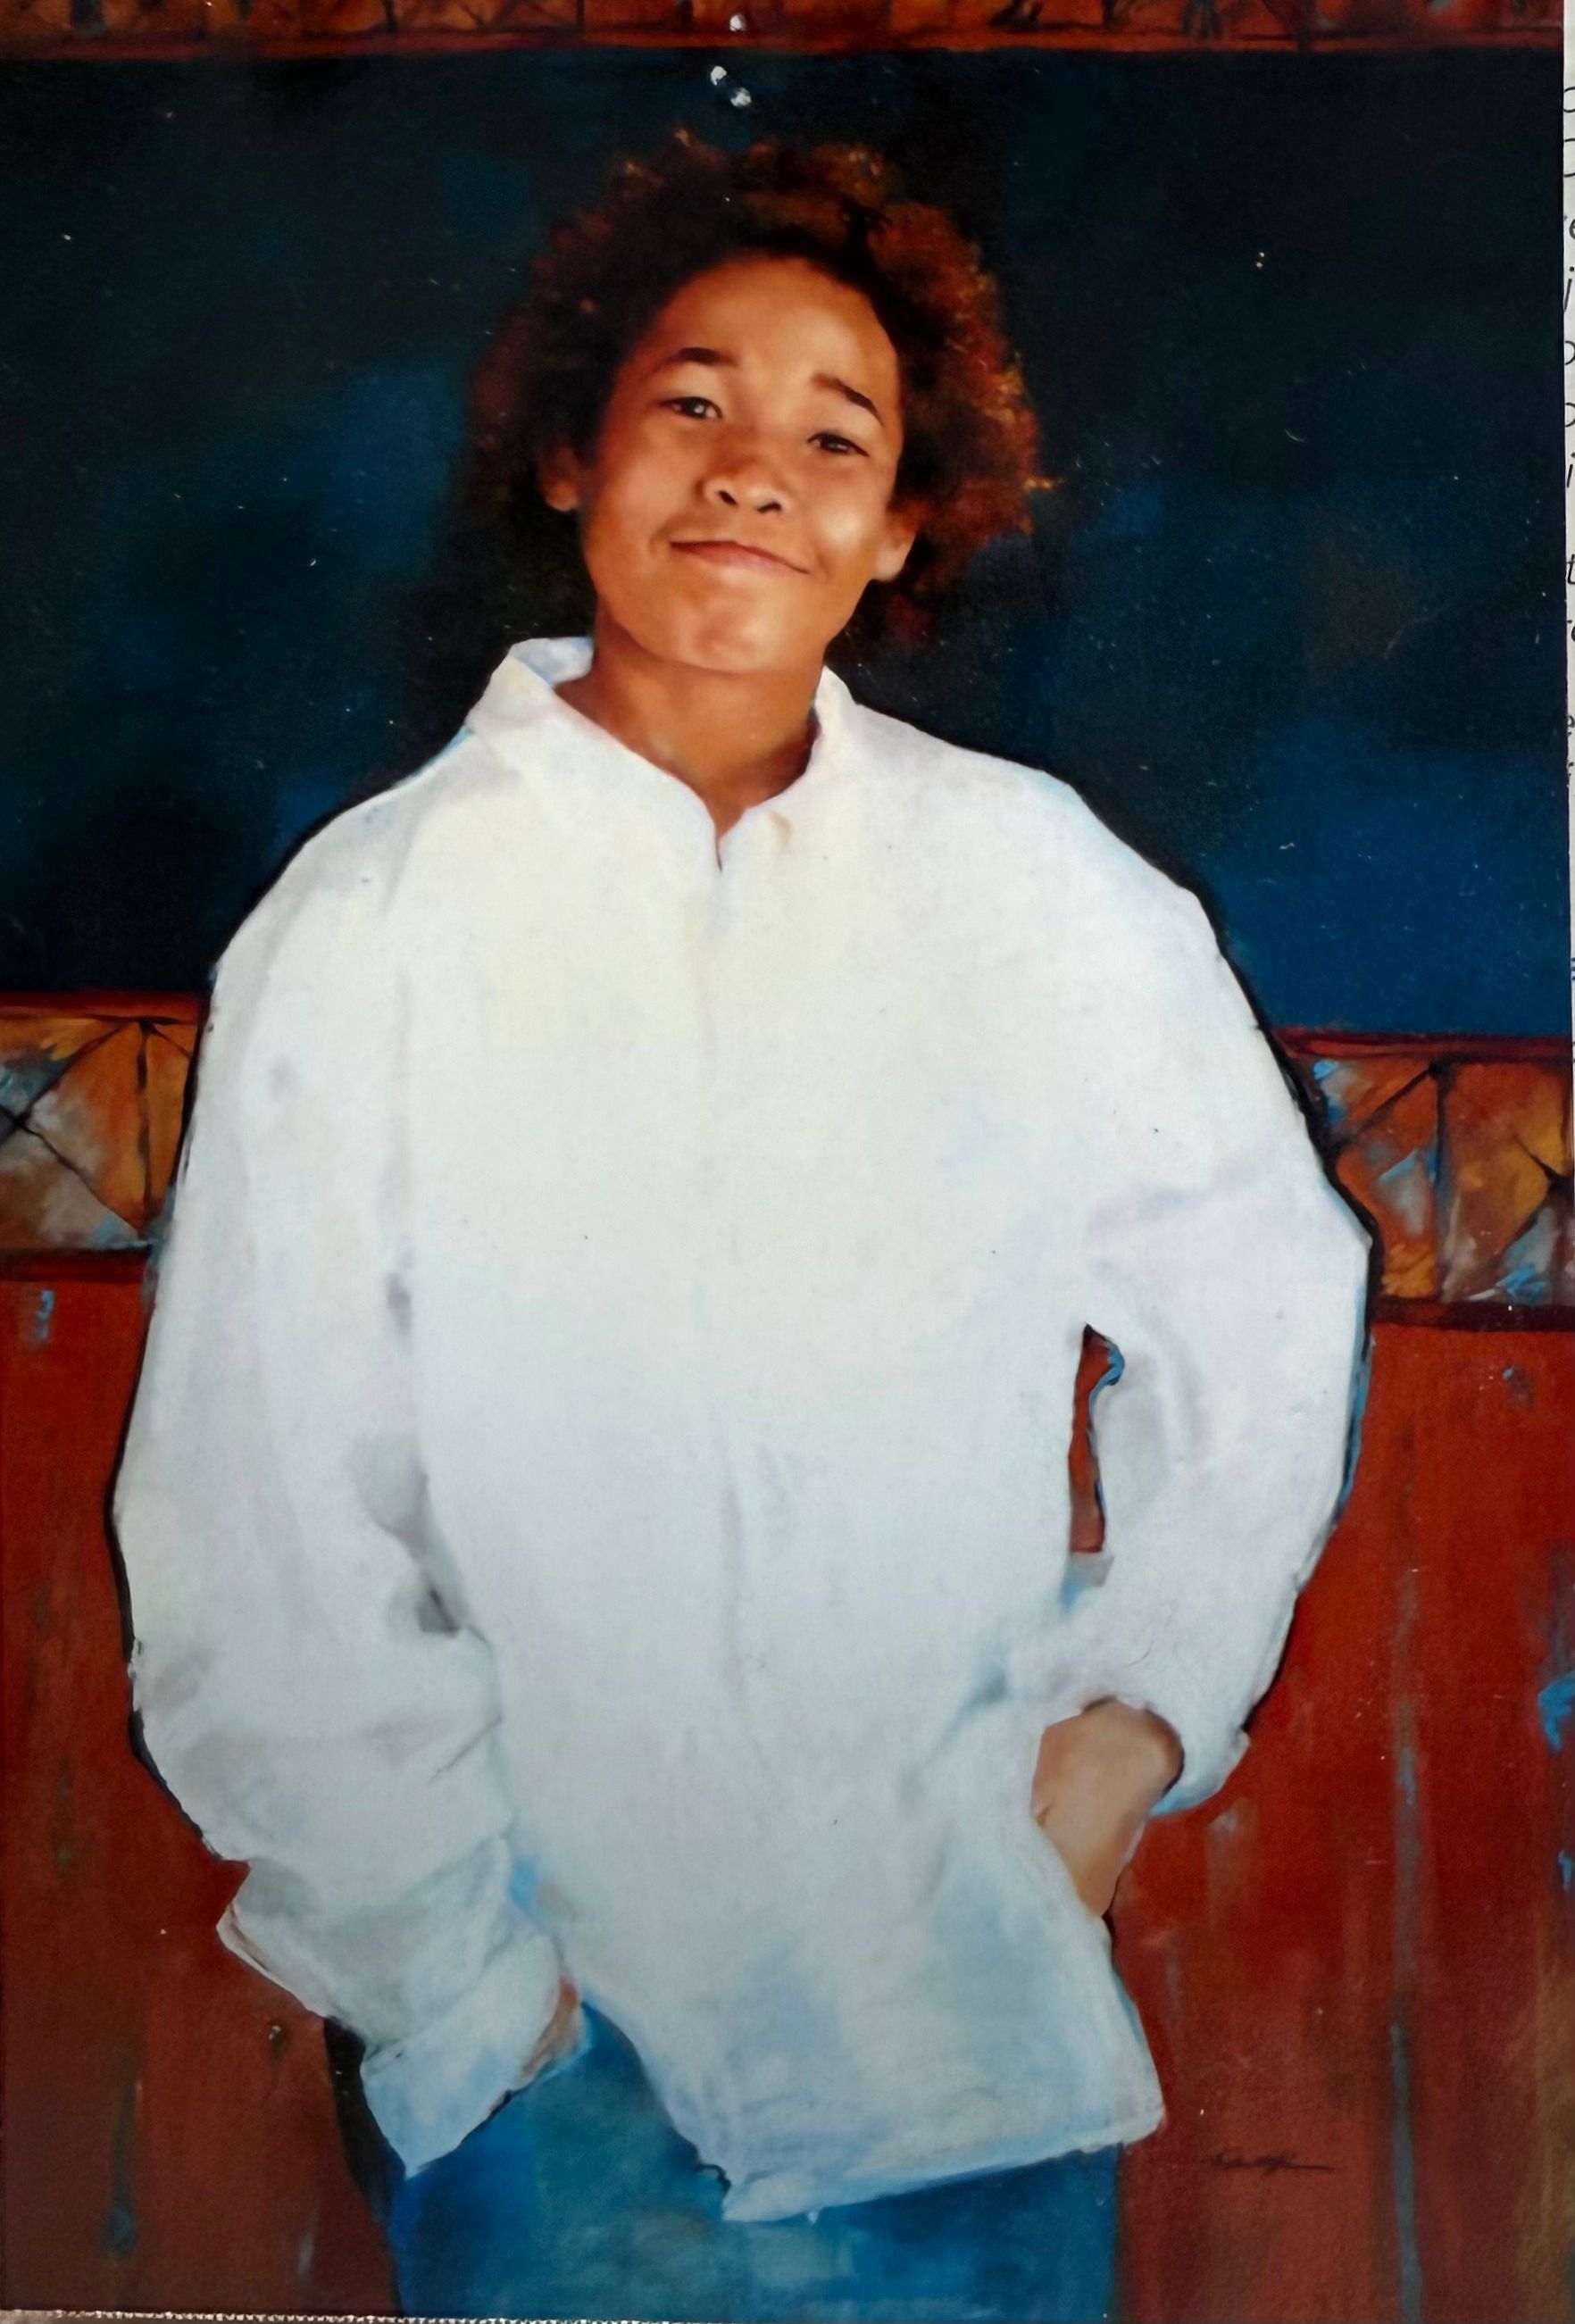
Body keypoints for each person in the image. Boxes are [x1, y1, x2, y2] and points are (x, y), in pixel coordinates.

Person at [112, 136, 1371, 2323]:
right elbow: (254, 1505)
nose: (750, 472)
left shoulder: (1040, 888)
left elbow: (1268, 1306)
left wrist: (1132, 1729)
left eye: (833, 434)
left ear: (899, 531)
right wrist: (472, 1990)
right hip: (555, 2090)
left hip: (970, 2049)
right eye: (692, 403)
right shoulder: (374, 920)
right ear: (572, 454)